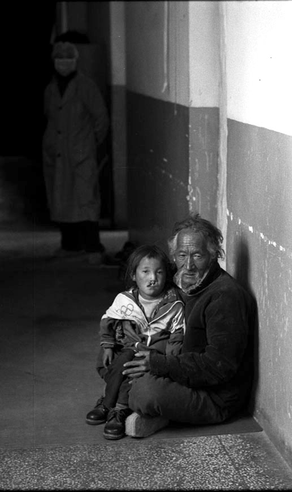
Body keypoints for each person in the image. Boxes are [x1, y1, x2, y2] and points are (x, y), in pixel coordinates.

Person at [121, 213, 256, 438]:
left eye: (198, 255)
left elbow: (217, 368)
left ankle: (158, 411)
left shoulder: (225, 297)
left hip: (215, 396)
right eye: (182, 255)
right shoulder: (183, 281)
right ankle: (159, 410)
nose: (189, 264)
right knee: (125, 365)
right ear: (174, 255)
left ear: (214, 256)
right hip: (185, 373)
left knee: (144, 391)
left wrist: (158, 365)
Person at [86, 245, 186, 440]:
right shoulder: (125, 301)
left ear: (166, 275)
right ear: (133, 275)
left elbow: (177, 337)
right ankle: (110, 403)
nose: (153, 278)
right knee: (120, 359)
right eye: (145, 272)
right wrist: (107, 346)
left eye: (159, 272)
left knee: (131, 364)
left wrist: (168, 363)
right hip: (128, 349)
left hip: (154, 354)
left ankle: (117, 409)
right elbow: (108, 321)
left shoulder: (173, 305)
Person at [42, 35, 109, 264]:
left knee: (85, 200)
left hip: (81, 153)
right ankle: (69, 245)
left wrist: (90, 145)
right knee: (61, 200)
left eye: (67, 60)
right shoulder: (51, 88)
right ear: (54, 61)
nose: (63, 64)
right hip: (57, 152)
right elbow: (50, 118)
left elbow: (101, 119)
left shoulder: (85, 86)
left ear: (75, 61)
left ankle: (93, 247)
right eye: (59, 60)